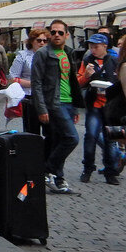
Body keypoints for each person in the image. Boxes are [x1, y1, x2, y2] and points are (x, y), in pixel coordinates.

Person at [31, 19, 84, 195]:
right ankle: (47, 169)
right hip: (54, 103)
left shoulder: (68, 53)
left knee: (59, 140)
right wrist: (42, 109)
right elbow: (36, 83)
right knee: (72, 138)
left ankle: (57, 178)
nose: (56, 35)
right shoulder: (43, 54)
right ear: (49, 34)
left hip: (68, 103)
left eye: (60, 32)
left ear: (67, 35)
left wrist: (75, 107)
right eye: (53, 32)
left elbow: (72, 82)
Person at [78, 33, 119, 185]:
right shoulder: (87, 61)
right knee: (90, 137)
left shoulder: (114, 61)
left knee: (110, 139)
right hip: (94, 105)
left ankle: (110, 172)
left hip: (110, 106)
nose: (93, 50)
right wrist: (86, 76)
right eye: (91, 47)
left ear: (105, 46)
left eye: (96, 47)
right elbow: (79, 83)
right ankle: (87, 169)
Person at [10, 28, 49, 135]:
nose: (42, 43)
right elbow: (13, 77)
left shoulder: (50, 55)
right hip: (29, 97)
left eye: (45, 41)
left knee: (50, 131)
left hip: (47, 96)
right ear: (32, 41)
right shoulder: (23, 55)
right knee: (32, 132)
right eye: (39, 40)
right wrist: (32, 84)